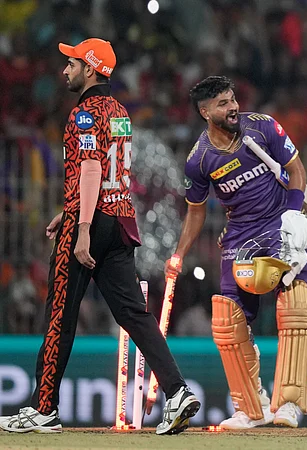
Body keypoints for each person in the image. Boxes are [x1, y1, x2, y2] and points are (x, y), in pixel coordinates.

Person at [0, 38, 199, 435]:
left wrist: (82, 227)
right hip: (121, 221)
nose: (65, 70)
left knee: (60, 315)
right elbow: (110, 175)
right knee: (134, 315)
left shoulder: (84, 115)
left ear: (89, 69)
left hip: (91, 225)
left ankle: (44, 409)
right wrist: (71, 210)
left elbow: (91, 170)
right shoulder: (120, 112)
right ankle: (177, 391)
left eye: (71, 63)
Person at [167, 75, 307, 429]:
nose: (233, 107)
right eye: (222, 103)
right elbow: (196, 211)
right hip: (240, 240)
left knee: (296, 309)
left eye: (232, 100)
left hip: (282, 227)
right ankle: (252, 408)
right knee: (228, 320)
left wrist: (294, 213)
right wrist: (179, 254)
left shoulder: (263, 127)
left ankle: (289, 404)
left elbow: (296, 170)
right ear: (205, 112)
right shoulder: (199, 159)